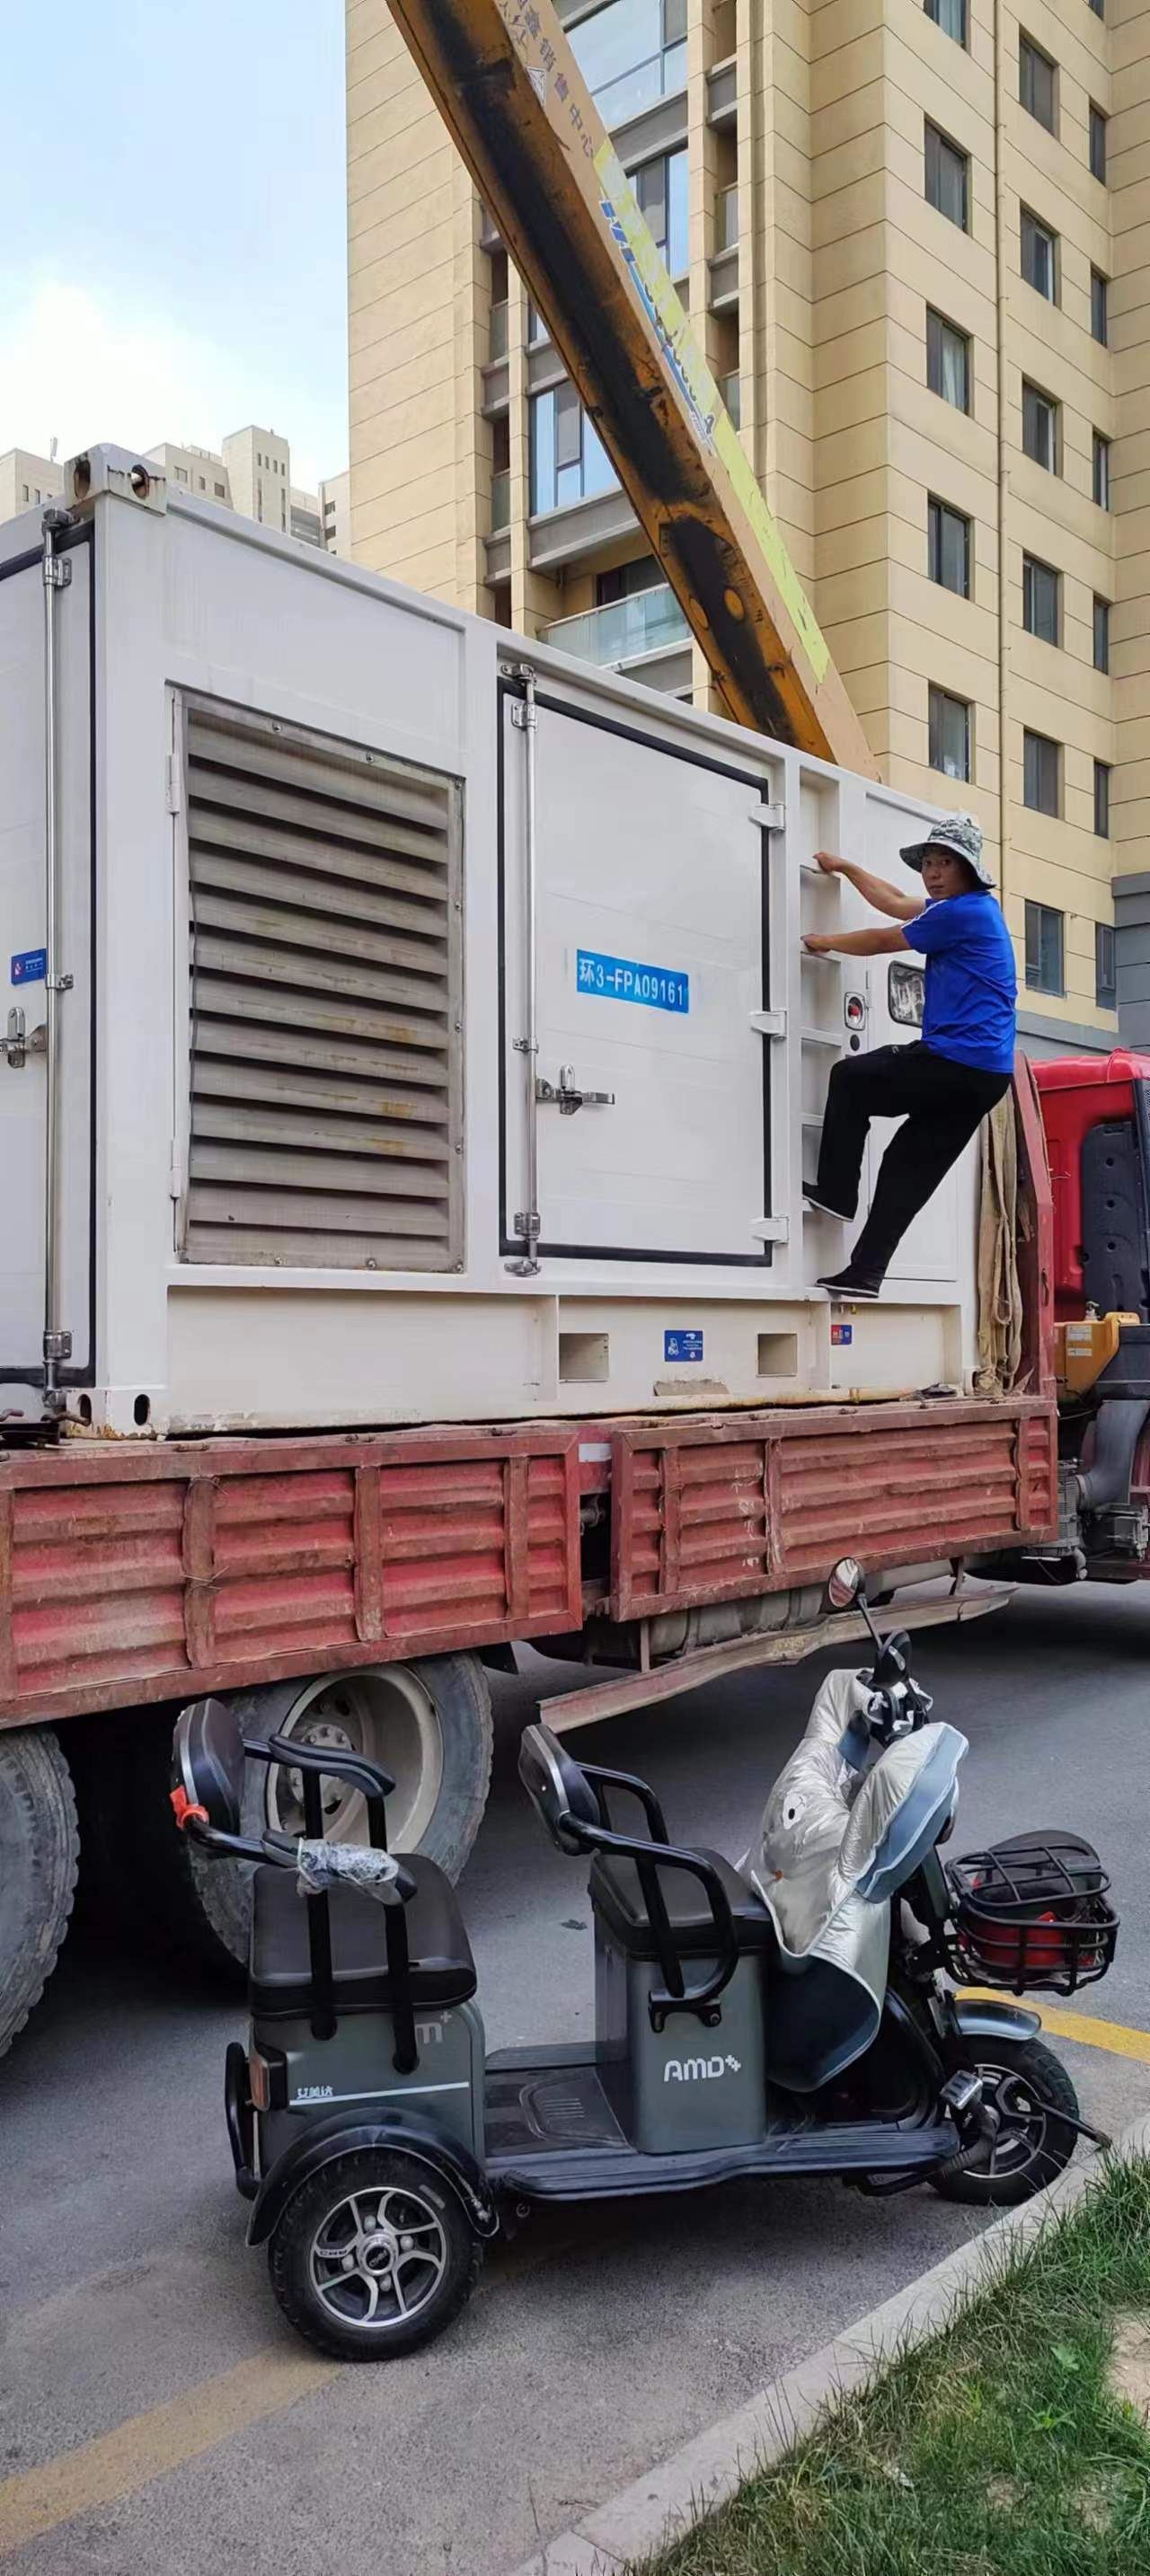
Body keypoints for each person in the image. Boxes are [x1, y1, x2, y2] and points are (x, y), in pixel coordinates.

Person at [801, 812, 1016, 1300]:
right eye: (929, 863)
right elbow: (896, 903)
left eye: (946, 863)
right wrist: (847, 867)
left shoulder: (962, 912)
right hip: (987, 1074)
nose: (935, 872)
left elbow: (883, 939)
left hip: (955, 1061)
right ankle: (865, 1274)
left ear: (968, 869)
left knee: (852, 1078)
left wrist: (823, 942)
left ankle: (836, 1192)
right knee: (905, 1170)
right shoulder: (968, 911)